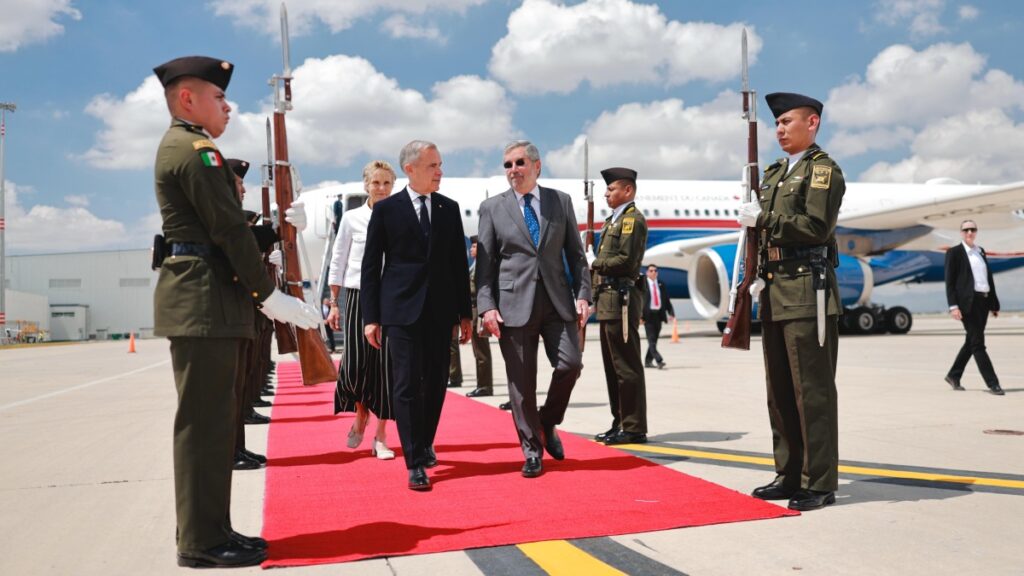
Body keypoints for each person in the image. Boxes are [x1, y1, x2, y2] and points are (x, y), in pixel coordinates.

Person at [152, 56, 321, 568]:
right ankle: (201, 542)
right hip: (202, 301)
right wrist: (270, 297)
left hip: (210, 299)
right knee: (204, 426)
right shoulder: (194, 150)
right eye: (218, 97)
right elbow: (227, 232)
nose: (227, 106)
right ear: (188, 100)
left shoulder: (197, 148)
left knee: (217, 422)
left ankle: (215, 529)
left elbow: (226, 230)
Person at [738, 92, 845, 512]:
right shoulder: (776, 172)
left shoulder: (822, 171)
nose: (779, 130)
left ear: (812, 122)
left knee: (812, 393)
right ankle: (788, 472)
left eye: (787, 121)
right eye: (777, 124)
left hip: (807, 292)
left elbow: (816, 227)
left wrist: (763, 218)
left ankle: (818, 482)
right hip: (776, 290)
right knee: (779, 390)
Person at [476, 140, 591, 478]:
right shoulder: (492, 208)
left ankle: (548, 421)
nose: (513, 170)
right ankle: (531, 451)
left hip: (557, 301)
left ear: (537, 166)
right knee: (521, 384)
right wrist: (487, 307)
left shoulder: (560, 201)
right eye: (508, 165)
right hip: (513, 305)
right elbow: (486, 266)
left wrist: (583, 293)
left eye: (519, 163)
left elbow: (575, 255)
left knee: (571, 364)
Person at [360, 141, 472, 491]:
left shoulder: (449, 208)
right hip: (400, 311)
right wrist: (370, 317)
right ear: (410, 169)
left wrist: (465, 314)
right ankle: (414, 460)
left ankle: (424, 442)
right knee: (406, 384)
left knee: (436, 383)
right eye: (433, 165)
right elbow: (370, 267)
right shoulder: (386, 210)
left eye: (440, 165)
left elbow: (457, 265)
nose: (440, 172)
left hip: (440, 312)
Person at [326, 160, 398, 461]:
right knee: (355, 366)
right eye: (376, 183)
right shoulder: (353, 218)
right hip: (358, 296)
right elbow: (339, 257)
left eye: (386, 184)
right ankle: (360, 415)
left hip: (392, 298)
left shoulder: (400, 216)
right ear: (366, 185)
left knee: (386, 368)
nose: (381, 189)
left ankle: (381, 435)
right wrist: (333, 303)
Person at [590, 168, 649, 446]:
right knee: (613, 366)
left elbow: (626, 260)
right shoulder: (611, 221)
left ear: (627, 190)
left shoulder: (632, 220)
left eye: (611, 189)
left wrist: (595, 262)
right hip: (607, 298)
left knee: (626, 366)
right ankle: (620, 421)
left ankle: (634, 426)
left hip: (622, 297)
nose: (606, 193)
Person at [944, 220, 1003, 395]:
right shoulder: (954, 253)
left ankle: (954, 375)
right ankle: (993, 383)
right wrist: (953, 306)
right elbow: (950, 282)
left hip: (983, 302)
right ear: (961, 232)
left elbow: (987, 279)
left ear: (976, 231)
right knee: (978, 343)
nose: (969, 232)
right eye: (966, 229)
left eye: (973, 229)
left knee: (972, 340)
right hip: (967, 304)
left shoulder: (980, 251)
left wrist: (993, 303)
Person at [464, 236, 495, 398]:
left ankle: (485, 385)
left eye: (474, 246)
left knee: (482, 350)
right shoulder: (474, 266)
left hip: (479, 309)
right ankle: (481, 384)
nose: (471, 249)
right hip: (473, 309)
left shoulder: (482, 267)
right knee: (478, 350)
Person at [642, 264, 674, 369]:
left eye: (655, 271)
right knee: (651, 340)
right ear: (647, 272)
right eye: (651, 271)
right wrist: (639, 316)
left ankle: (647, 361)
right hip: (648, 316)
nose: (653, 272)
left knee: (654, 340)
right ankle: (659, 360)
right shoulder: (643, 284)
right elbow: (639, 301)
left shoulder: (661, 284)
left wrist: (671, 313)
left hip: (659, 316)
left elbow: (666, 300)